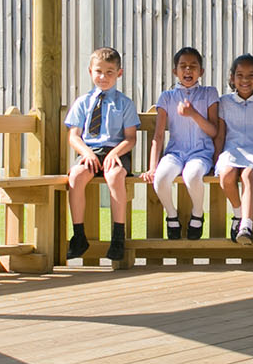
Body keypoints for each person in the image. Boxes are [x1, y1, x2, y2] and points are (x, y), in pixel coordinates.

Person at [64, 47, 139, 262]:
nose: (103, 77)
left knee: (115, 176)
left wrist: (115, 153)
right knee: (76, 176)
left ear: (119, 73)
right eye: (98, 71)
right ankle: (79, 235)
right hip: (91, 152)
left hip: (116, 151)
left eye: (109, 72)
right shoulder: (82, 103)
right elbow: (74, 136)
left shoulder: (124, 104)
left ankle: (117, 237)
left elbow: (130, 138)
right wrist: (86, 153)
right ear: (90, 72)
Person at [147, 46, 220, 240]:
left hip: (200, 153)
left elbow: (214, 131)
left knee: (192, 175)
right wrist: (152, 167)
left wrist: (194, 114)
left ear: (201, 72)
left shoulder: (209, 93)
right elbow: (158, 135)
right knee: (161, 178)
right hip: (175, 153)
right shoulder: (167, 97)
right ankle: (172, 216)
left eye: (193, 66)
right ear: (175, 71)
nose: (188, 70)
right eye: (183, 66)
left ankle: (197, 213)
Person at [215, 53, 253, 245]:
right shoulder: (224, 102)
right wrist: (214, 159)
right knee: (227, 175)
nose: (245, 80)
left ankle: (246, 226)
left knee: (248, 176)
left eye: (251, 75)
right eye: (240, 75)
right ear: (232, 78)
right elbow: (221, 134)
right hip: (231, 151)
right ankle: (239, 214)